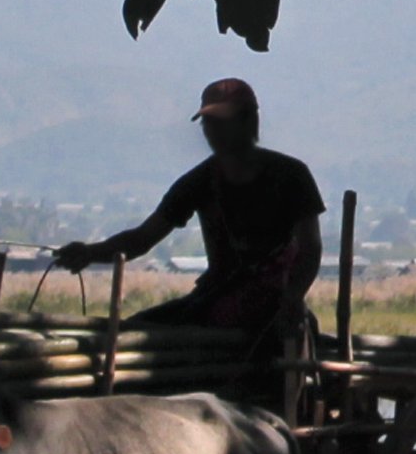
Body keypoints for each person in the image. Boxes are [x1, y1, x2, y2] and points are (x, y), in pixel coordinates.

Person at [58, 78, 330, 354]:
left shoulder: (291, 175)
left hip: (273, 302)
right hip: (216, 296)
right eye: (208, 124)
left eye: (222, 122)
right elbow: (142, 238)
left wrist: (293, 297)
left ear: (249, 123)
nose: (213, 132)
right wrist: (91, 252)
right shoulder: (199, 181)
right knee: (138, 330)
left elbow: (310, 247)